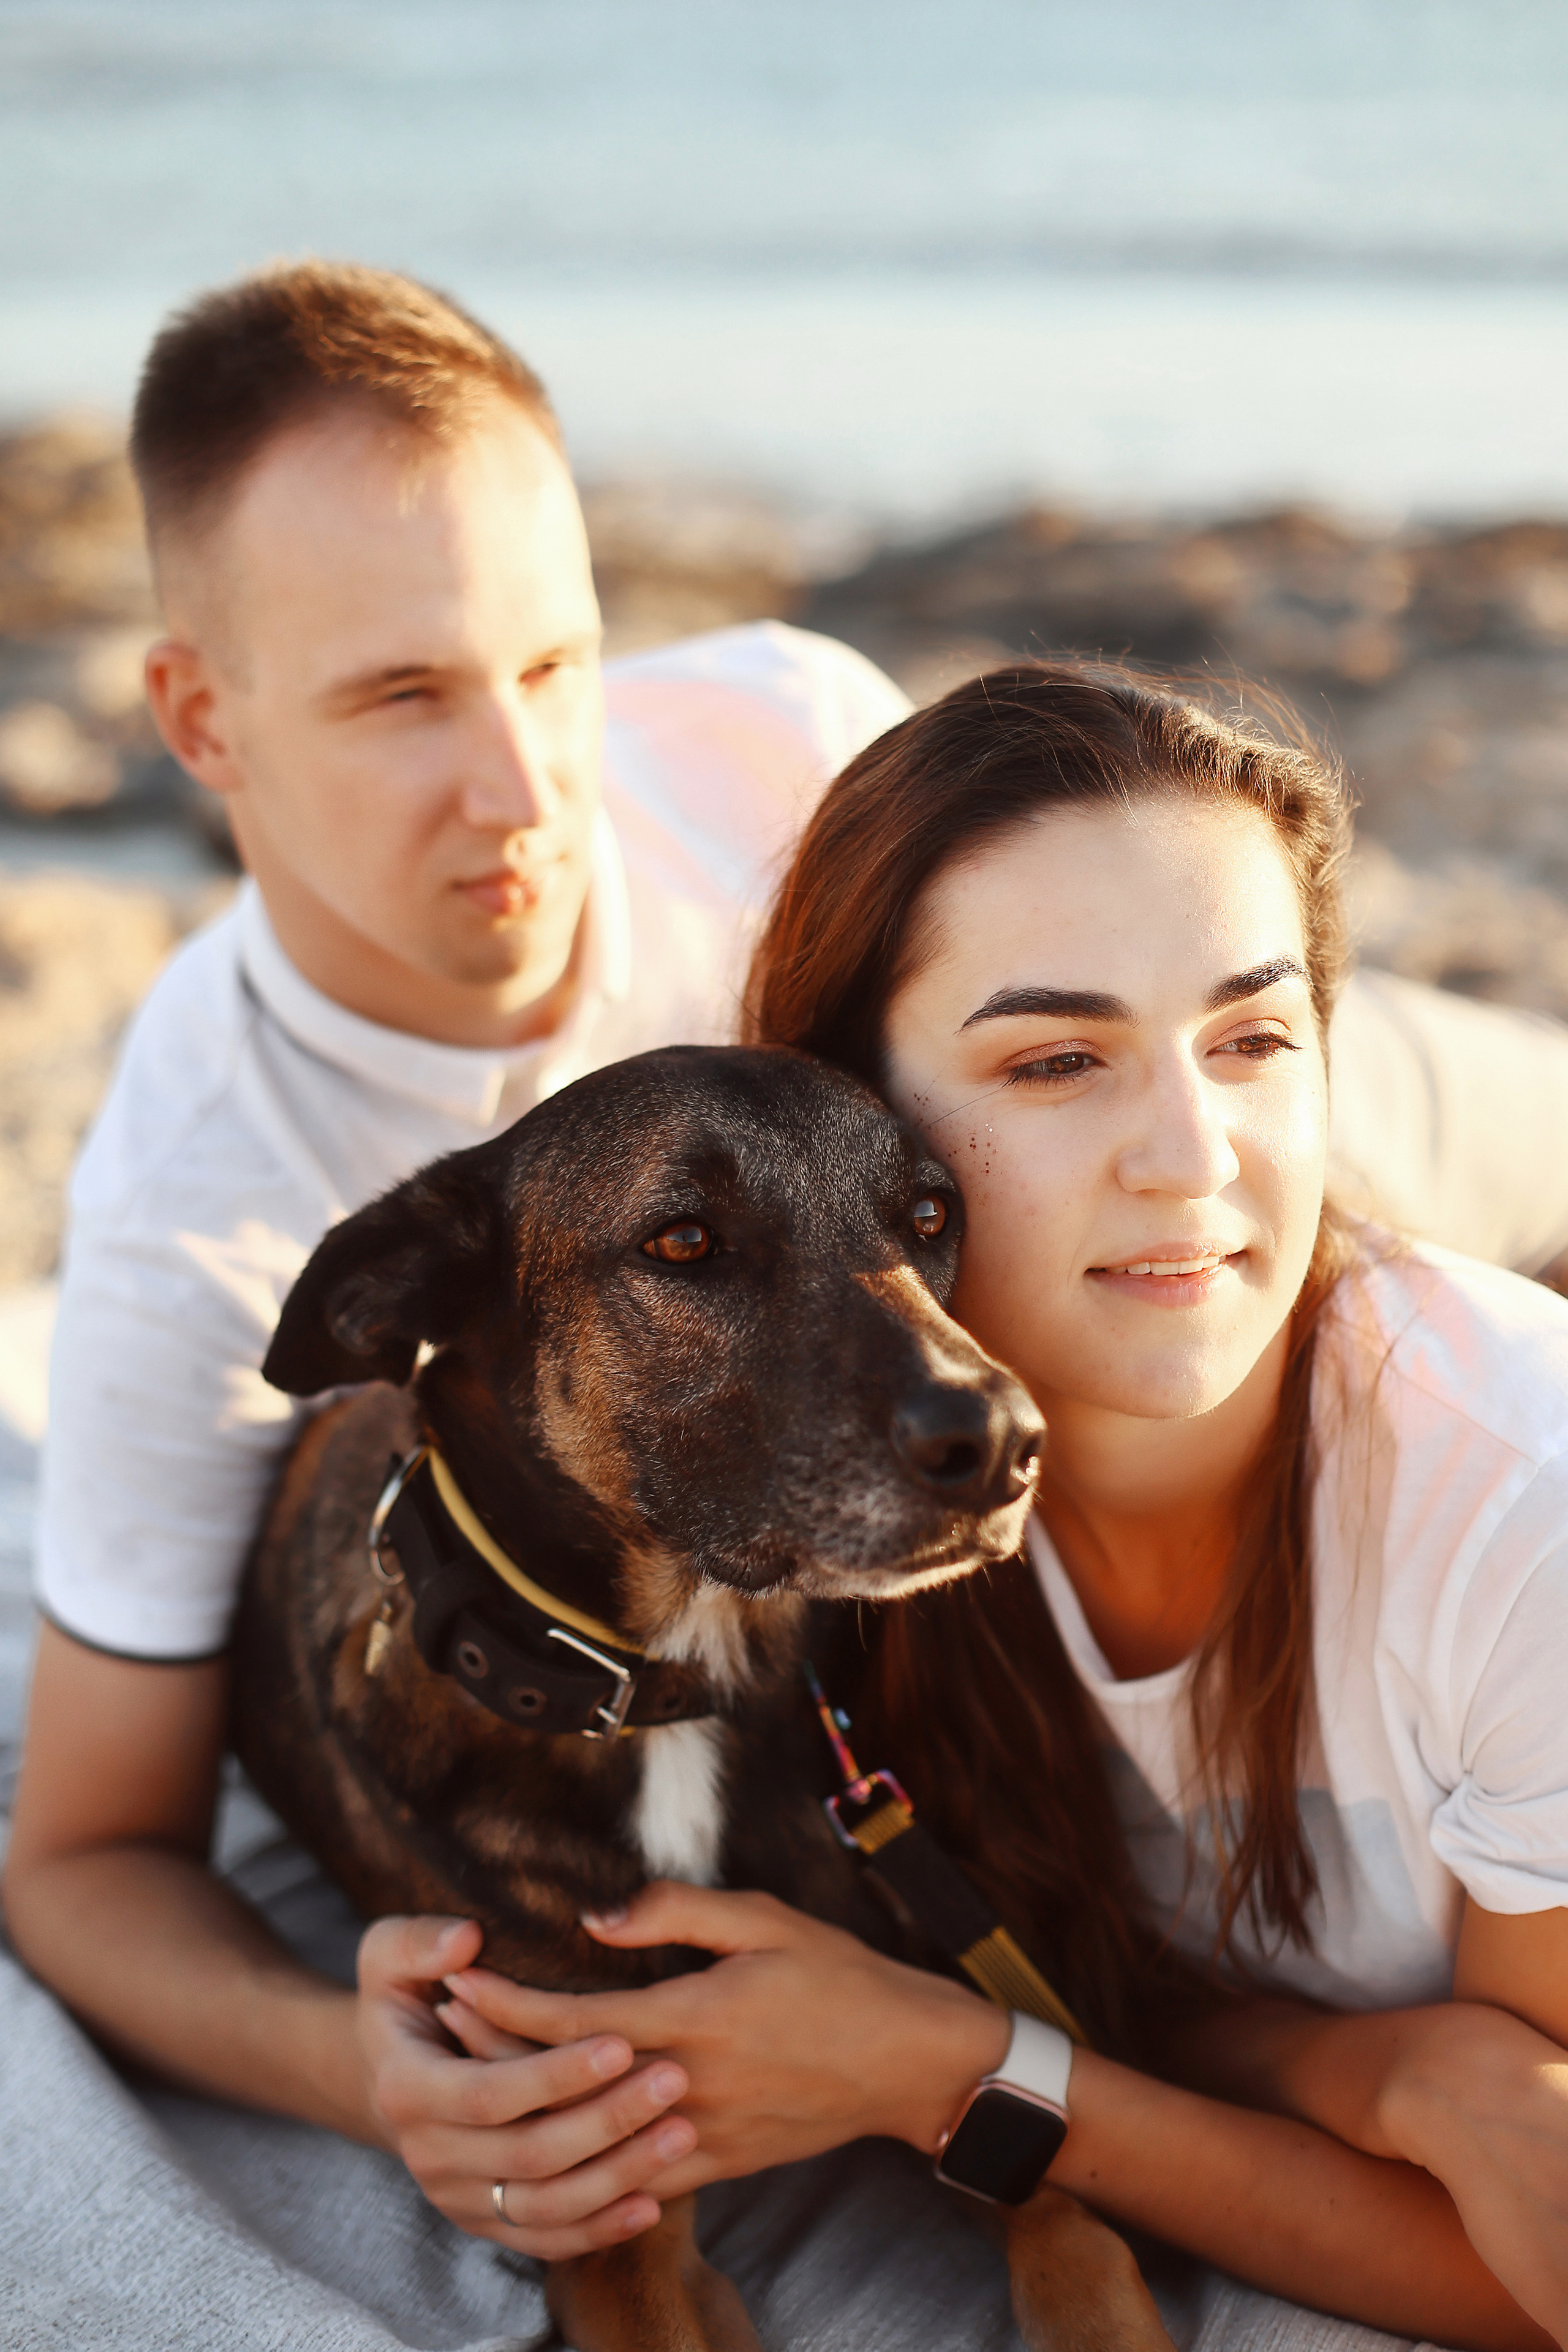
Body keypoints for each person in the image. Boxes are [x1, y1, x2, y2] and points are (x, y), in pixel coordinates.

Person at [4, 257, 1567, 2326]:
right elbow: (81, 1856)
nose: (528, 785)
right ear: (199, 719)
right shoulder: (193, 1229)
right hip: (1029, 1176)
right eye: (401, 697)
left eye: (560, 665)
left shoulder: (794, 749)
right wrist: (368, 2078)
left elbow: (1167, 1082)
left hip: (1198, 1105)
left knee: (1325, 1180)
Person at [432, 667, 1568, 2350]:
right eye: (1056, 1060)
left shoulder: (1517, 1515)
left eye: (1254, 1038)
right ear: (856, 1122)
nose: (1190, 1154)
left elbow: (1523, 2261)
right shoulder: (823, 1505)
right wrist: (1370, 2064)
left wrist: (963, 2074)